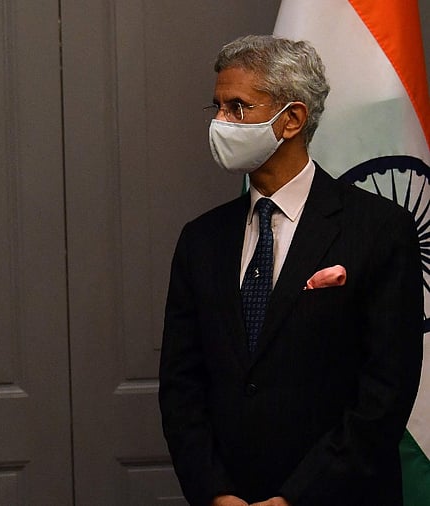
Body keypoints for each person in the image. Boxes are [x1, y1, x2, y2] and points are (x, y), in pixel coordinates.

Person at [159, 35, 423, 506]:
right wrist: (215, 492)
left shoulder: (380, 230)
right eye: (217, 107)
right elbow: (181, 386)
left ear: (292, 119)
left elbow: (385, 392)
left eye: (238, 108)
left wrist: (293, 499)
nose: (220, 123)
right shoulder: (201, 239)